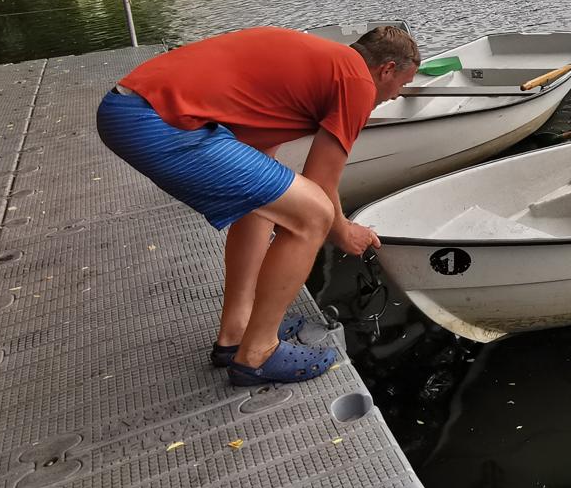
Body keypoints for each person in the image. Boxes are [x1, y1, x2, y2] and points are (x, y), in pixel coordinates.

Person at [96, 24, 420, 386]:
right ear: (386, 69)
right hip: (154, 120)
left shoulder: (322, 63)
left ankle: (235, 334)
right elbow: (320, 185)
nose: (396, 96)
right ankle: (258, 354)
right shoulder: (357, 80)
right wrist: (345, 232)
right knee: (313, 214)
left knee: (263, 205)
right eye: (402, 85)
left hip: (125, 106)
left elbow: (258, 149)